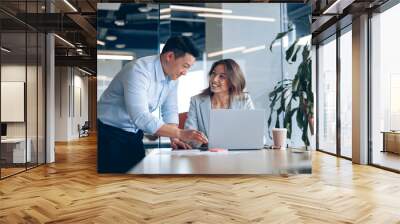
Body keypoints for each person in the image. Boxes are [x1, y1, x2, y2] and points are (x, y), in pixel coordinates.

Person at [97, 36, 208, 173]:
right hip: (109, 133)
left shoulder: (172, 77)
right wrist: (180, 133)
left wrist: (174, 137)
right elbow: (140, 117)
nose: (185, 73)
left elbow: (170, 110)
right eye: (185, 66)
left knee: (137, 177)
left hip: (133, 134)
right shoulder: (138, 71)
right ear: (170, 56)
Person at [184, 59, 254, 147]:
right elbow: (189, 135)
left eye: (222, 76)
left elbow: (256, 135)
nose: (214, 79)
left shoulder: (244, 100)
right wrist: (203, 142)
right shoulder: (196, 101)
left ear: (233, 80)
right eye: (213, 74)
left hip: (237, 157)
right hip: (206, 156)